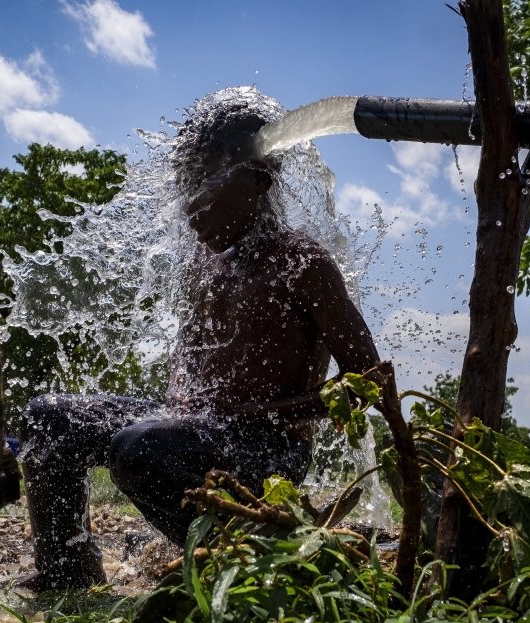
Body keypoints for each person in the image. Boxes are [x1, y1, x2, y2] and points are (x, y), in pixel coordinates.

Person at [19, 90, 380, 590]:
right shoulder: (205, 266)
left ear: (258, 180)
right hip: (200, 432)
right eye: (183, 189)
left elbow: (370, 384)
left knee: (139, 448)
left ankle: (246, 568)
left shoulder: (302, 264)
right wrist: (181, 408)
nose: (189, 210)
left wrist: (257, 414)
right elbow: (190, 364)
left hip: (267, 452)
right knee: (50, 416)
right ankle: (68, 570)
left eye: (202, 187)